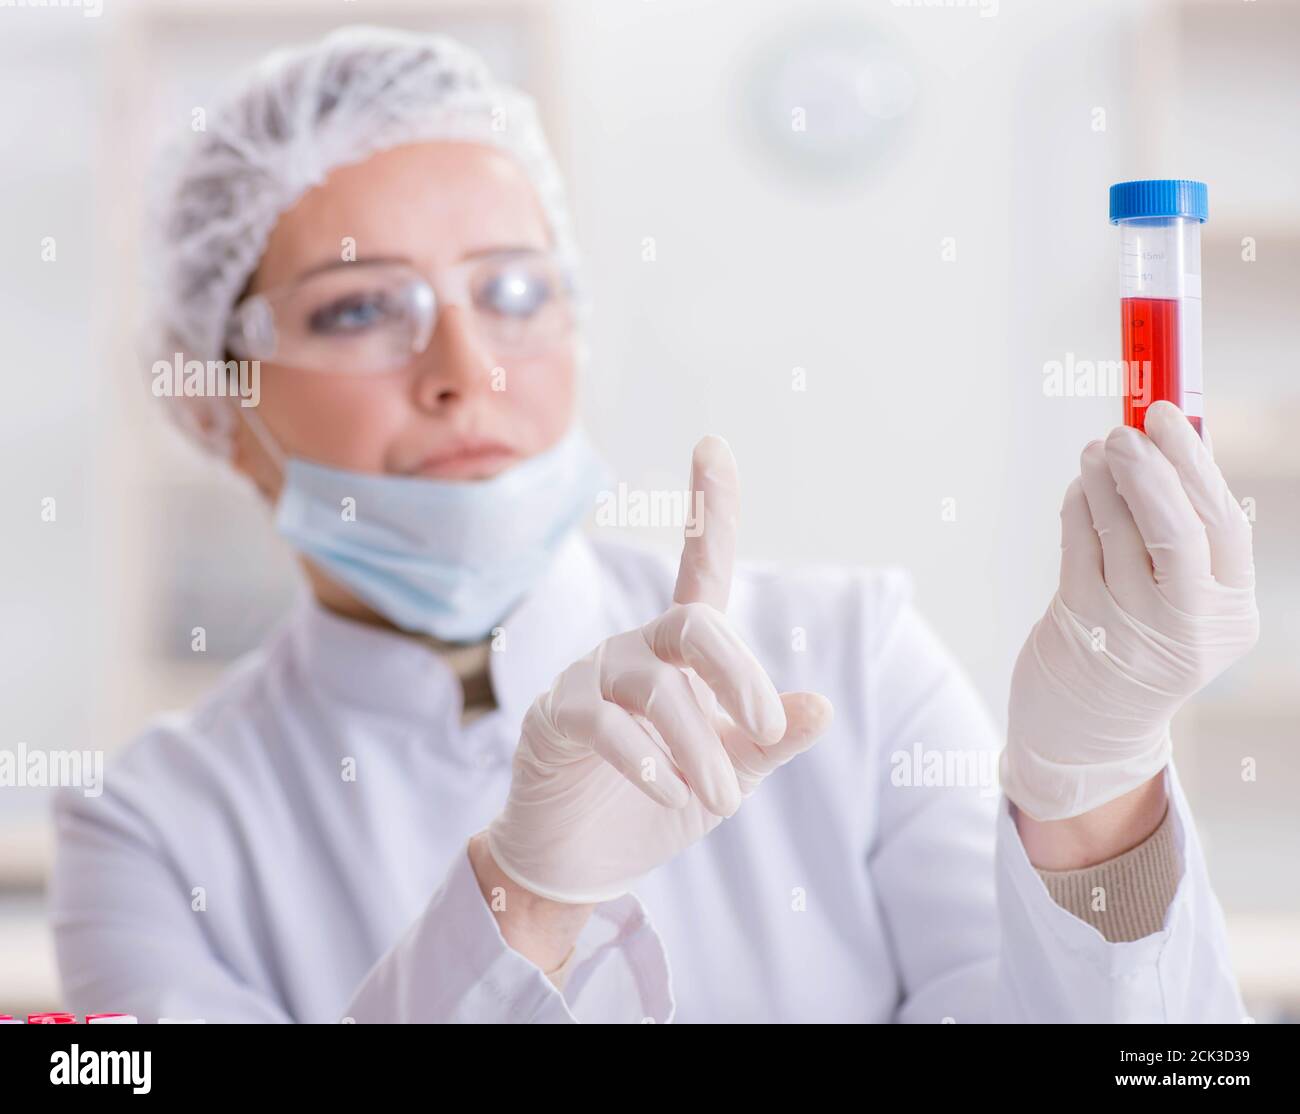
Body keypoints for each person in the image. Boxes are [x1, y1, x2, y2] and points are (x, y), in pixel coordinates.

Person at [49, 25, 1259, 1023]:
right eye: (363, 305)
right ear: (214, 401)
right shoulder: (151, 833)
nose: (465, 369)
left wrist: (1097, 797)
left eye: (513, 288)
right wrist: (518, 899)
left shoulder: (848, 661)